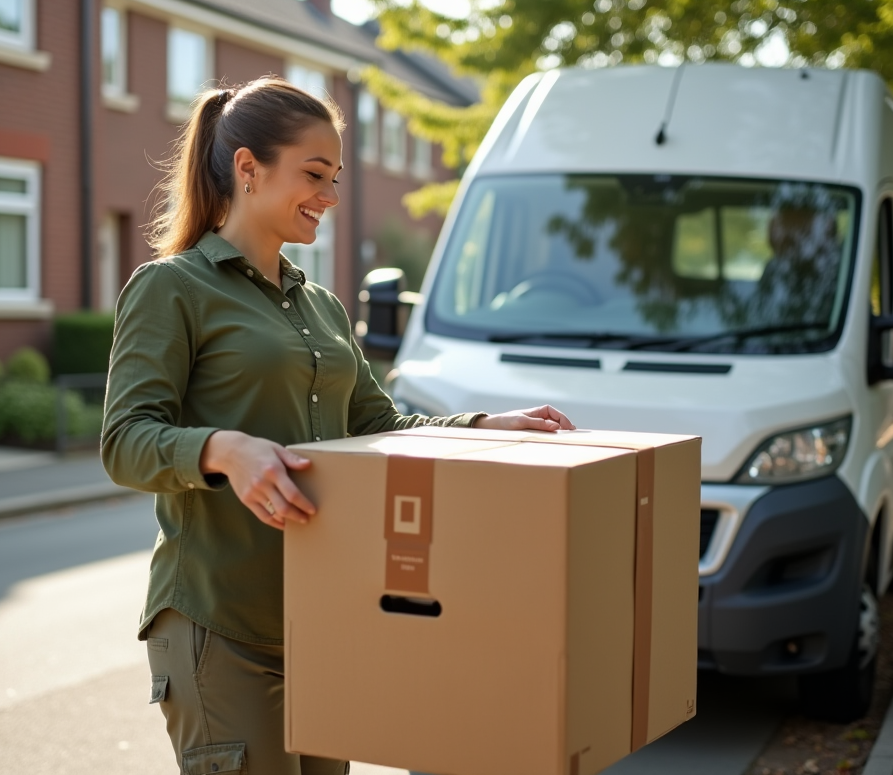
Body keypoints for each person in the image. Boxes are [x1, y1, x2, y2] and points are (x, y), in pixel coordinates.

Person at [101, 77, 575, 775]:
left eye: (335, 177)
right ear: (247, 168)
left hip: (323, 619)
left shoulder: (320, 306)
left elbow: (379, 426)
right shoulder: (173, 287)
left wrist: (482, 427)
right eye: (314, 175)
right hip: (218, 623)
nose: (330, 195)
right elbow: (124, 441)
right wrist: (223, 450)